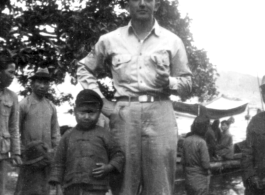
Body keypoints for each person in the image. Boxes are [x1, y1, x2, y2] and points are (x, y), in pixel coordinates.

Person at [77, 0, 192, 193]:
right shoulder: (110, 39)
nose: (142, 3)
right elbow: (84, 68)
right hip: (123, 115)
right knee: (123, 182)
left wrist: (169, 83)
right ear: (127, 5)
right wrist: (101, 102)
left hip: (160, 111)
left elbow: (187, 86)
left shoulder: (172, 40)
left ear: (157, 5)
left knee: (161, 185)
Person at [49, 89, 124, 195]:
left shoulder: (105, 134)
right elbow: (59, 161)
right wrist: (57, 184)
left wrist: (108, 167)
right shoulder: (68, 135)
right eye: (82, 112)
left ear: (98, 112)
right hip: (71, 186)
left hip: (97, 187)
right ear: (75, 111)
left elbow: (118, 155)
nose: (87, 117)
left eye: (91, 112)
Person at [14, 67, 60, 195]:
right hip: (29, 156)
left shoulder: (51, 106)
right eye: (39, 82)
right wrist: (18, 152)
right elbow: (15, 129)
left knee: (44, 188)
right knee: (26, 188)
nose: (42, 86)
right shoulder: (24, 104)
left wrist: (56, 152)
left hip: (46, 157)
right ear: (32, 84)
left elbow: (55, 133)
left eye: (45, 83)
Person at [0, 49, 22, 195]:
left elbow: (14, 127)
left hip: (3, 152)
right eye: (10, 72)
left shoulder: (12, 96)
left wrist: (16, 153)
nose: (13, 76)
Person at [241, 75, 265, 195]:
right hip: (257, 188)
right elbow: (247, 154)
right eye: (264, 91)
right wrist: (250, 177)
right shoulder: (255, 121)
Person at [182, 115, 211, 195]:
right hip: (200, 179)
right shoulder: (202, 142)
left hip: (188, 178)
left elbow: (183, 161)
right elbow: (206, 164)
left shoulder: (186, 140)